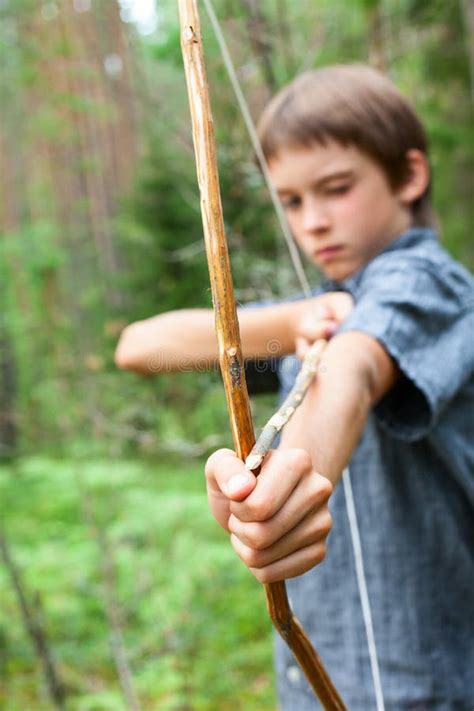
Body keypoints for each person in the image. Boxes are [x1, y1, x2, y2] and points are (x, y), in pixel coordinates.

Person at [115, 65, 474, 710]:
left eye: (336, 188)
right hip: (321, 685)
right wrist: (289, 322)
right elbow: (140, 347)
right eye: (292, 201)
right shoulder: (323, 310)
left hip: (425, 686)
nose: (313, 222)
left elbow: (354, 368)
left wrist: (289, 489)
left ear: (409, 176)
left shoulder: (429, 285)